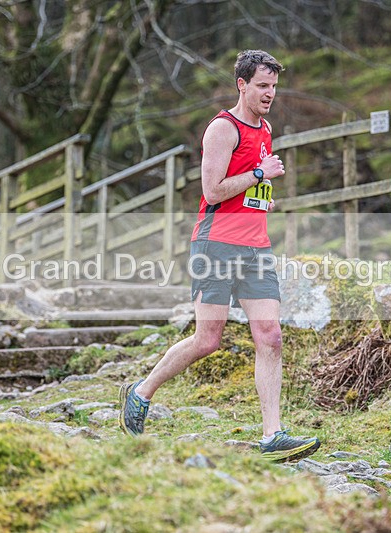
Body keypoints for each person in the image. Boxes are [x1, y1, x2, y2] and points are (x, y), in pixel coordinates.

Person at [118, 50, 320, 462]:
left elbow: (247, 187)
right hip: (215, 245)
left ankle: (272, 436)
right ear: (242, 85)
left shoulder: (265, 128)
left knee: (271, 335)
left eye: (274, 87)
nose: (270, 94)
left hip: (255, 247)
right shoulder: (222, 129)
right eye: (262, 86)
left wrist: (262, 198)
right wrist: (262, 174)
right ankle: (140, 393)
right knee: (207, 339)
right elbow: (212, 191)